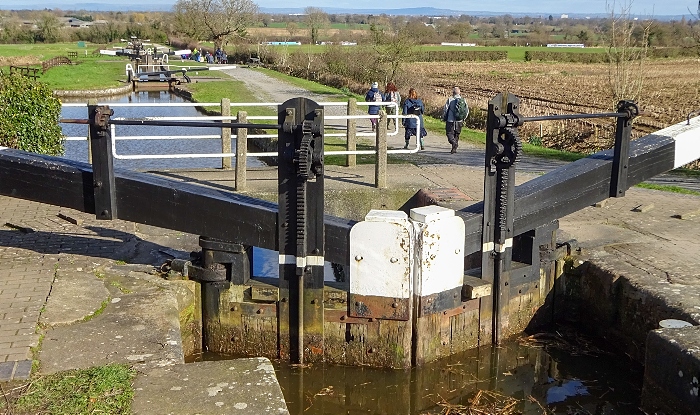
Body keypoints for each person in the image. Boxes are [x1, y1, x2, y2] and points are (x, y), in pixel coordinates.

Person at [442, 86, 466, 154]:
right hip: (459, 120)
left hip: (450, 120)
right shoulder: (463, 100)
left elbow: (445, 109)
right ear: (459, 92)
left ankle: (454, 143)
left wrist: (444, 117)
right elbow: (466, 111)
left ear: (453, 92)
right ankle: (454, 148)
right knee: (456, 134)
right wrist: (463, 118)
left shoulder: (450, 99)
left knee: (449, 133)